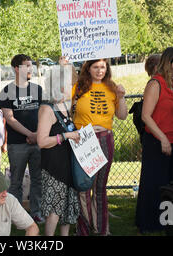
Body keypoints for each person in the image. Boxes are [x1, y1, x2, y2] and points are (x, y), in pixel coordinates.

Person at [72, 58, 128, 236]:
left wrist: (120, 97)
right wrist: (65, 66)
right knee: (83, 186)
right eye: (95, 67)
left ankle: (103, 229)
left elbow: (122, 115)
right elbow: (63, 103)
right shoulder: (78, 87)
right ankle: (85, 229)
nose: (99, 70)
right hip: (84, 139)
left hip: (105, 138)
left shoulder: (112, 88)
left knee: (100, 187)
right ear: (88, 69)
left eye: (102, 67)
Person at [136, 46, 173, 234]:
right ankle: (148, 223)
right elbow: (146, 116)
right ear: (172, 63)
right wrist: (163, 139)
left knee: (172, 184)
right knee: (154, 183)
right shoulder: (155, 84)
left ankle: (167, 221)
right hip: (158, 141)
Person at [37, 62, 81, 236]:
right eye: (69, 85)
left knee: (67, 209)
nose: (72, 88)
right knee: (54, 209)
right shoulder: (47, 109)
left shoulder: (65, 106)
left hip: (68, 164)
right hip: (54, 167)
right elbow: (41, 141)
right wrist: (65, 136)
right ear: (59, 86)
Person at [0, 54, 43, 223]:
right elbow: (10, 118)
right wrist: (29, 134)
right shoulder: (6, 92)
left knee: (38, 179)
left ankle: (36, 212)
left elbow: (43, 113)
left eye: (31, 66)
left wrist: (38, 134)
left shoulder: (37, 90)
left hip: (38, 142)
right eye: (27, 66)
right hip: (17, 144)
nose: (30, 69)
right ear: (17, 69)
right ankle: (17, 216)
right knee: (15, 181)